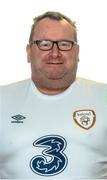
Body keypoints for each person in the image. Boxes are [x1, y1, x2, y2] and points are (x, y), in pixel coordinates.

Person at [0, 11, 107, 179]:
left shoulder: (104, 97)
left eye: (64, 44)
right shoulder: (2, 100)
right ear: (29, 51)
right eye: (44, 43)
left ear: (77, 52)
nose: (55, 52)